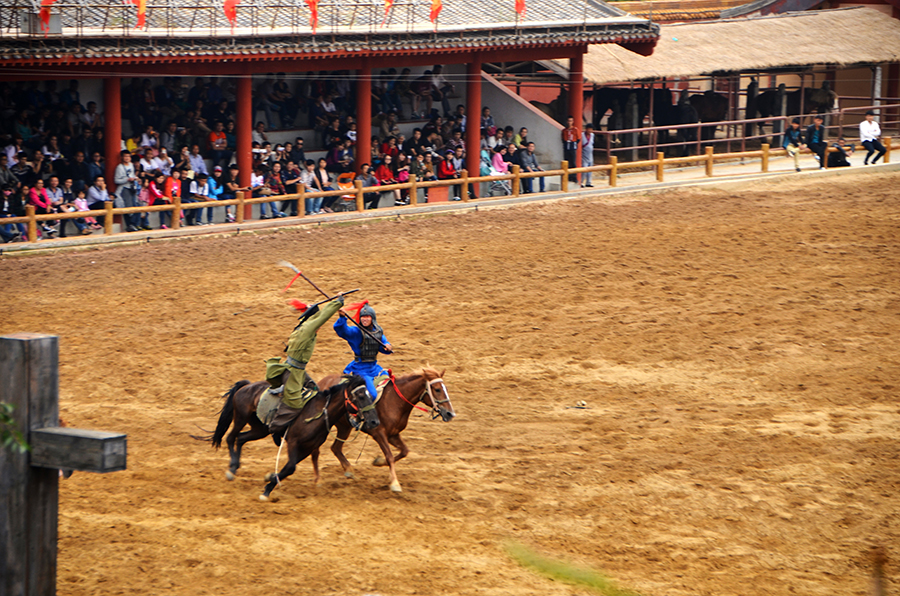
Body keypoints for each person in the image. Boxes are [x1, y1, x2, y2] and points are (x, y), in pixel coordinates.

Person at [263, 295, 346, 440]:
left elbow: (318, 317)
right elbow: (323, 317)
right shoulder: (307, 329)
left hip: (298, 369)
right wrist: (337, 302)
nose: (318, 325)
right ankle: (276, 428)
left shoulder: (303, 327)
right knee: (294, 404)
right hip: (293, 372)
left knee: (314, 389)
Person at [334, 303, 393, 401]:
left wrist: (388, 346)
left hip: (374, 367)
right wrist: (342, 317)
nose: (364, 319)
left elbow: (383, 344)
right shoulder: (356, 332)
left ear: (372, 318)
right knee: (372, 395)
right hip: (361, 369)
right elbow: (343, 331)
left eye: (367, 317)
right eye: (362, 317)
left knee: (389, 385)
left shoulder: (377, 331)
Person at [114, 150, 141, 232]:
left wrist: (136, 179)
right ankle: (130, 224)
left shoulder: (131, 165)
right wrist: (127, 179)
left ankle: (135, 224)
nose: (127, 158)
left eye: (128, 156)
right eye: (125, 156)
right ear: (122, 157)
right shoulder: (119, 167)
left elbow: (132, 175)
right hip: (124, 188)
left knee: (136, 205)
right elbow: (116, 180)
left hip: (132, 187)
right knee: (128, 206)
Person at [562, 115, 580, 183]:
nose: (569, 122)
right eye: (568, 121)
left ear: (573, 122)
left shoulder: (575, 129)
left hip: (572, 146)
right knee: (566, 162)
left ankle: (574, 177)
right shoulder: (564, 130)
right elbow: (563, 139)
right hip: (566, 146)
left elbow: (578, 139)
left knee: (573, 162)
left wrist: (573, 144)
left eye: (571, 121)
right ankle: (568, 176)